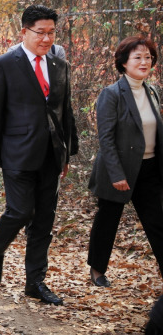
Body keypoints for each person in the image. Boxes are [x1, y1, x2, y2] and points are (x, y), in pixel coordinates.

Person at [0, 5, 77, 305]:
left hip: (51, 155)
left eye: (51, 33)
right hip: (16, 152)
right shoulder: (4, 64)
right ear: (24, 31)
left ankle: (35, 282)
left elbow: (65, 113)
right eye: (41, 33)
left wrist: (67, 154)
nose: (47, 39)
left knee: (43, 223)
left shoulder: (60, 66)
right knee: (21, 211)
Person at [87, 36, 163, 288]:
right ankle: (97, 270)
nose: (144, 62)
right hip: (118, 169)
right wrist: (117, 174)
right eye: (138, 57)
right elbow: (106, 138)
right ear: (123, 62)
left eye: (148, 57)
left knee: (157, 222)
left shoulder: (152, 91)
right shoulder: (111, 94)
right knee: (108, 220)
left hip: (150, 169)